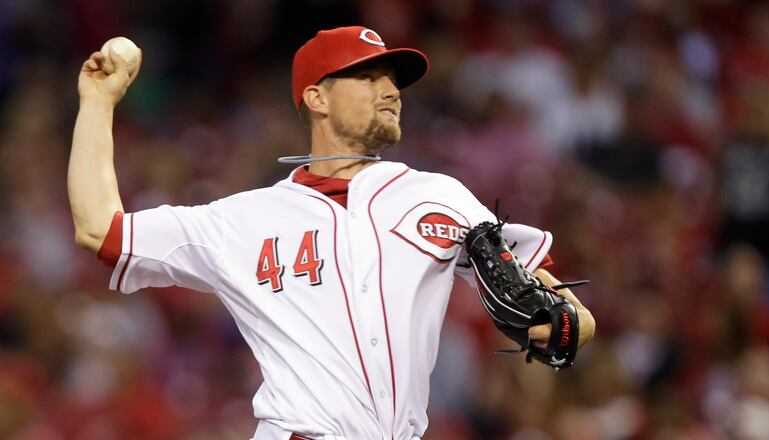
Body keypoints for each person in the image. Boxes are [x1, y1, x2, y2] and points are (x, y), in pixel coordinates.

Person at [68, 26, 595, 440]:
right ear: (317, 98)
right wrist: (97, 102)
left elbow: (565, 309)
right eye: (368, 78)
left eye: (394, 80)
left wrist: (563, 324)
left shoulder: (442, 196)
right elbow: (101, 230)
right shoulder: (244, 220)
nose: (391, 91)